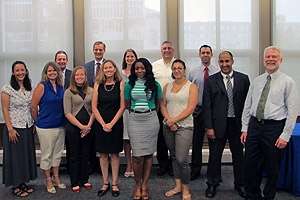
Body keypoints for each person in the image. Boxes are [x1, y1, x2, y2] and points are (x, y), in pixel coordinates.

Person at [241, 46, 299, 200]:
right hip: (254, 126)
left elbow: (293, 111)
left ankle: (268, 196)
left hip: (274, 128)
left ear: (280, 60)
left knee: (273, 167)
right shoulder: (257, 80)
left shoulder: (288, 82)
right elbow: (248, 105)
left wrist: (285, 136)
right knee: (250, 164)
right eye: (268, 57)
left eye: (274, 57)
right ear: (264, 59)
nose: (270, 59)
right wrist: (245, 128)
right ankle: (252, 195)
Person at [203, 51, 250, 198]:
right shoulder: (211, 81)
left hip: (237, 124)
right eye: (222, 62)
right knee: (214, 156)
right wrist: (209, 127)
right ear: (218, 63)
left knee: (238, 156)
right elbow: (207, 105)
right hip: (218, 126)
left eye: (227, 61)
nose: (224, 64)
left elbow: (248, 105)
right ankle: (212, 184)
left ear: (232, 62)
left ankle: (240, 184)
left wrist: (246, 127)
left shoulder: (243, 79)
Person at [124, 58, 162, 200]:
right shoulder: (129, 85)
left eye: (142, 68)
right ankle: (137, 184)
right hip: (135, 120)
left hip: (151, 120)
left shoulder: (155, 84)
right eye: (137, 68)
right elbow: (127, 104)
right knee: (137, 156)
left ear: (147, 69)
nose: (139, 71)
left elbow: (158, 104)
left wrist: (150, 113)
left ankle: (145, 184)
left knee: (148, 155)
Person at [161, 59, 198, 200]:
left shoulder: (191, 87)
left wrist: (174, 121)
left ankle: (186, 188)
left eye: (179, 68)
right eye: (174, 68)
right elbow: (163, 105)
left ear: (184, 70)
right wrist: (169, 121)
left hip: (185, 126)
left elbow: (190, 109)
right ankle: (177, 186)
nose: (177, 70)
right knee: (174, 157)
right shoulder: (167, 86)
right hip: (169, 126)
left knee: (182, 159)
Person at [1, 61, 37, 197]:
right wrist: (10, 128)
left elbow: (33, 106)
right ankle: (15, 185)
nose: (20, 73)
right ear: (13, 73)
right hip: (14, 128)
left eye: (23, 70)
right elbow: (5, 110)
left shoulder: (30, 87)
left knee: (25, 157)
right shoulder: (7, 89)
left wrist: (34, 122)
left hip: (27, 126)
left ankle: (23, 182)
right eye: (17, 70)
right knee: (15, 158)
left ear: (26, 71)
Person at [31, 61, 66, 194]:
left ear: (58, 72)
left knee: (57, 154)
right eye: (49, 71)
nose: (52, 73)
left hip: (60, 125)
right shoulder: (42, 86)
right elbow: (33, 106)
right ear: (46, 73)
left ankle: (56, 177)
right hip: (45, 126)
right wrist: (37, 121)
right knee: (46, 155)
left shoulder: (60, 86)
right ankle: (47, 179)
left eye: (54, 71)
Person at [92, 60, 125, 197]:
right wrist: (103, 123)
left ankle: (115, 183)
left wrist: (111, 123)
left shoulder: (121, 84)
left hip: (115, 123)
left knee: (115, 154)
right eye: (106, 68)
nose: (108, 70)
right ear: (102, 70)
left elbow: (122, 106)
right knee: (103, 154)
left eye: (110, 67)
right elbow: (94, 107)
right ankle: (105, 182)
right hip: (100, 124)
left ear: (114, 69)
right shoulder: (97, 85)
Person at [187, 44, 219, 181]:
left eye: (208, 52)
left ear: (211, 55)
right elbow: (187, 91)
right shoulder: (193, 73)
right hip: (198, 110)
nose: (205, 55)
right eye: (203, 53)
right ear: (199, 55)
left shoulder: (218, 71)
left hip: (214, 111)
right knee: (197, 142)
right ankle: (195, 170)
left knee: (215, 144)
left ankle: (215, 172)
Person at [63, 66, 94, 193]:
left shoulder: (91, 91)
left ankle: (84, 179)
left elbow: (94, 110)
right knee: (74, 156)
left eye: (82, 75)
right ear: (73, 77)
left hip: (88, 128)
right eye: (77, 75)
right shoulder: (68, 92)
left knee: (85, 155)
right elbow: (67, 113)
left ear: (86, 77)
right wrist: (82, 127)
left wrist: (88, 127)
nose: (80, 77)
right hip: (73, 129)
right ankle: (74, 182)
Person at [152, 40, 175, 176]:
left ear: (173, 50)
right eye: (164, 48)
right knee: (161, 137)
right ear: (161, 51)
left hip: (175, 106)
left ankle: (174, 165)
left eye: (169, 48)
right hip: (159, 105)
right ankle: (163, 165)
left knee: (173, 137)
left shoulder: (179, 65)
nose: (167, 50)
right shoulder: (155, 66)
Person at [84, 41, 106, 175]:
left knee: (103, 135)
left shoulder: (109, 66)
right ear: (93, 51)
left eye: (100, 50)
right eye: (96, 50)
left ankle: (105, 163)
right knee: (91, 137)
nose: (98, 52)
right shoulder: (86, 67)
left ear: (104, 51)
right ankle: (93, 164)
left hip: (105, 105)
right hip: (89, 106)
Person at [121, 49, 138, 178]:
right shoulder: (119, 74)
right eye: (128, 56)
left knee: (136, 138)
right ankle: (128, 164)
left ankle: (136, 164)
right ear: (125, 59)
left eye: (132, 56)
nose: (130, 59)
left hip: (137, 109)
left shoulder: (139, 73)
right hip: (124, 110)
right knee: (126, 139)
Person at [55, 50, 72, 174]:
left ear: (67, 61)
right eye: (59, 59)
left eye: (63, 59)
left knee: (71, 144)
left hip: (71, 115)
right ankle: (53, 168)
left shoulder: (72, 74)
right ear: (55, 61)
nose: (61, 61)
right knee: (55, 144)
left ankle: (71, 168)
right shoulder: (51, 75)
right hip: (55, 115)